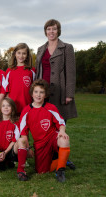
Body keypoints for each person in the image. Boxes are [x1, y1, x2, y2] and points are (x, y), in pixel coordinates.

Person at [35, 19, 77, 169]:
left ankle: (63, 158)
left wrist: (69, 94)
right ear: (45, 31)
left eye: (54, 29)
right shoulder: (40, 49)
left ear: (58, 31)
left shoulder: (67, 48)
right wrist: (35, 92)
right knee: (46, 127)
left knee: (60, 126)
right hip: (43, 93)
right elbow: (37, 72)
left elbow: (71, 73)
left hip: (60, 93)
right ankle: (53, 156)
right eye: (48, 29)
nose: (51, 32)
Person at [17, 79, 71, 183]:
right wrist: (28, 148)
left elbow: (61, 123)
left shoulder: (51, 107)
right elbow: (23, 133)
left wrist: (62, 131)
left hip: (52, 137)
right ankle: (62, 161)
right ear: (32, 93)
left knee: (64, 140)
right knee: (42, 171)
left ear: (45, 95)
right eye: (36, 92)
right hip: (40, 144)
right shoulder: (26, 110)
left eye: (41, 92)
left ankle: (60, 171)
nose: (38, 95)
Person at [0, 98, 33, 173]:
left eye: (8, 106)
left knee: (21, 141)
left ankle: (19, 165)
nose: (6, 108)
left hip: (11, 150)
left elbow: (14, 140)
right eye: (3, 106)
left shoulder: (16, 122)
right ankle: (6, 163)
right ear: (0, 108)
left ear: (12, 108)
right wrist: (0, 153)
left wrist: (5, 152)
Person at [6, 43, 35, 115]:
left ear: (27, 55)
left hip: (28, 107)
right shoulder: (9, 71)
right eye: (19, 53)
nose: (21, 56)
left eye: (24, 53)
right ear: (15, 54)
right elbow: (6, 91)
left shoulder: (32, 70)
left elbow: (35, 89)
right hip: (12, 107)